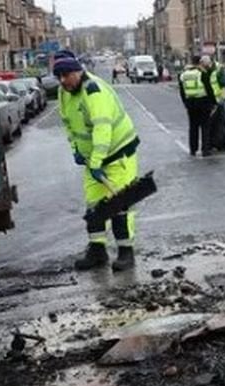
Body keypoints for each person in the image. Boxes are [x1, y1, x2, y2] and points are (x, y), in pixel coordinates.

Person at [53, 50, 142, 272]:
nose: (63, 81)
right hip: (92, 159)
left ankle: (125, 252)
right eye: (59, 76)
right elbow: (69, 125)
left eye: (66, 75)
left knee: (120, 204)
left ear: (77, 71)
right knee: (94, 205)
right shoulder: (64, 92)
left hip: (118, 154)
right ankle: (97, 250)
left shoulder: (94, 91)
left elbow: (103, 129)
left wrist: (96, 161)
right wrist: (76, 150)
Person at [178, 56, 214, 157]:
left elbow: (181, 91)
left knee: (193, 127)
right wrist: (213, 102)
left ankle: (193, 149)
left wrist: (185, 102)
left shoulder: (183, 74)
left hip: (190, 103)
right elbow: (209, 89)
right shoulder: (202, 73)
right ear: (199, 63)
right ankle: (205, 150)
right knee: (205, 127)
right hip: (203, 102)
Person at [201, 56, 225, 151]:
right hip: (212, 99)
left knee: (221, 121)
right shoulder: (207, 70)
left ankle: (224, 141)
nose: (204, 67)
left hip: (219, 98)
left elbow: (222, 83)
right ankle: (217, 142)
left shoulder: (218, 68)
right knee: (216, 122)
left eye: (205, 65)